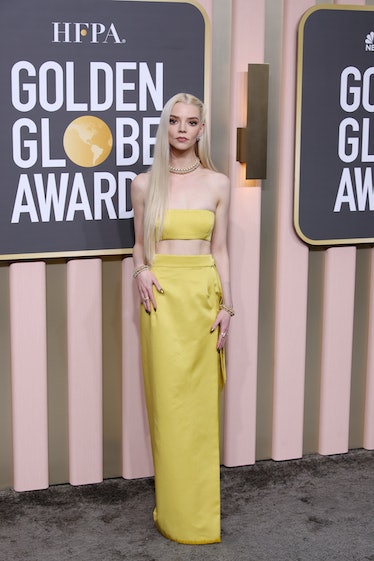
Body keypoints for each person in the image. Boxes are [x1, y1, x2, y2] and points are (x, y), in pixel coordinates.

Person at [131, 92, 234, 544]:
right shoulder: (143, 184)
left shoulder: (219, 183)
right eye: (174, 121)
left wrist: (228, 306)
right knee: (168, 409)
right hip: (162, 300)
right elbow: (139, 245)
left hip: (202, 300)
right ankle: (172, 513)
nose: (181, 130)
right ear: (165, 126)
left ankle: (199, 516)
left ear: (201, 129)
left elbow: (221, 250)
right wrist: (140, 271)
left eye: (191, 122)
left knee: (198, 412)